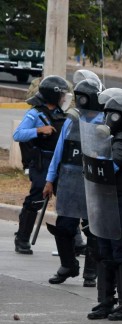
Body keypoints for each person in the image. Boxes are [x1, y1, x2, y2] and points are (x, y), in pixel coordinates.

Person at [84, 88, 122, 321]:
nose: (107, 118)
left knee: (121, 252)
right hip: (105, 199)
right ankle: (106, 301)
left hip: (120, 200)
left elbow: (115, 164)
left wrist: (97, 160)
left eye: (112, 114)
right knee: (104, 250)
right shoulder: (111, 138)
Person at [42, 70, 104, 288]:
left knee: (93, 229)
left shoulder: (105, 123)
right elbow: (59, 152)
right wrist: (50, 180)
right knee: (64, 227)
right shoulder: (72, 119)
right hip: (69, 179)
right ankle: (68, 265)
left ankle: (91, 272)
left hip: (93, 182)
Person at [12, 75, 70, 255]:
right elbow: (18, 135)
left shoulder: (64, 114)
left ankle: (73, 242)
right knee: (36, 198)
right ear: (53, 95)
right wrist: (38, 130)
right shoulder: (35, 113)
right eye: (61, 95)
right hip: (42, 161)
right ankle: (22, 238)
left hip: (61, 162)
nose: (63, 99)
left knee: (69, 201)